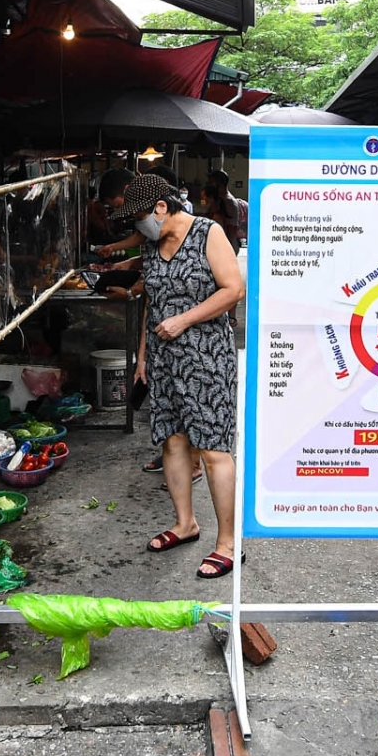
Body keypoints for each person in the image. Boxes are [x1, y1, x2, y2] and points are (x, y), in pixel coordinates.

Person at [112, 173, 245, 579]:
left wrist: (184, 321)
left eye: (139, 217)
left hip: (207, 357)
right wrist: (142, 358)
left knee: (213, 448)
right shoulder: (153, 247)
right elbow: (153, 305)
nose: (138, 227)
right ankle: (185, 523)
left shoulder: (208, 232)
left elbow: (232, 289)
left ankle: (227, 544)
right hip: (165, 359)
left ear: (161, 208)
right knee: (172, 441)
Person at [202, 169, 249, 248]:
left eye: (211, 182)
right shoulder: (217, 200)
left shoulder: (230, 203)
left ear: (219, 184)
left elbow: (232, 230)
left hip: (224, 247)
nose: (209, 186)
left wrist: (223, 249)